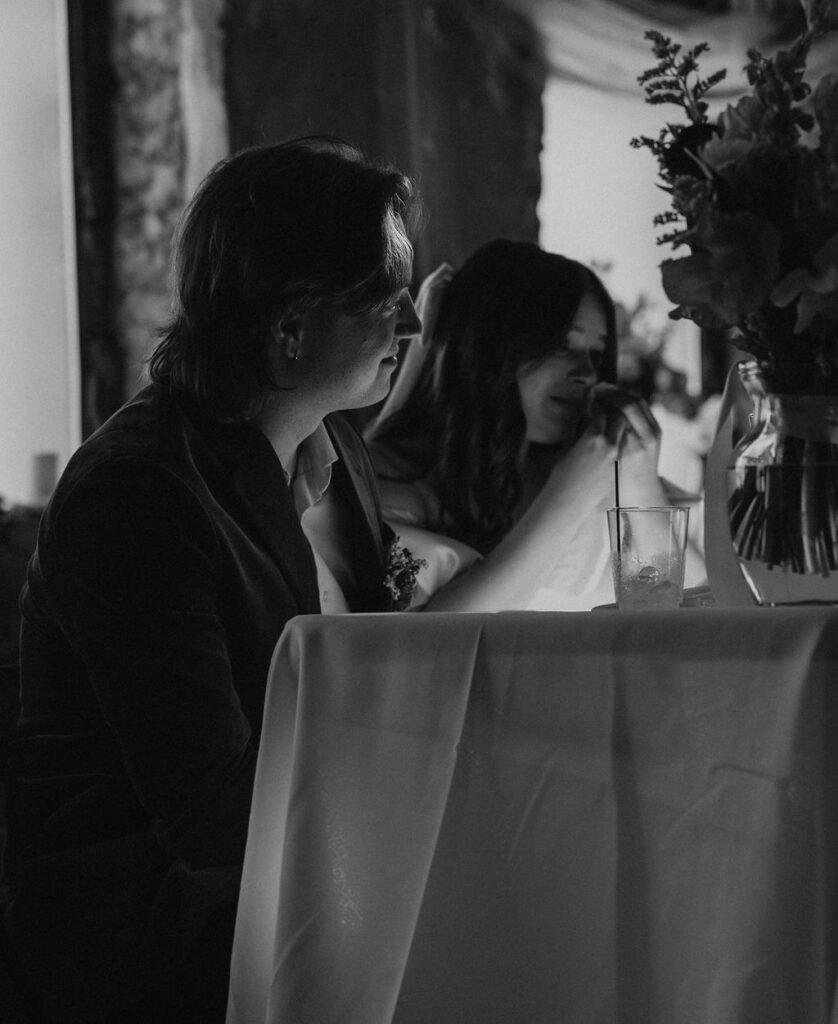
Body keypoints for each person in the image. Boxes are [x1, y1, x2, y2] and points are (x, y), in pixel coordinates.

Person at [1, 137, 421, 1023]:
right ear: (290, 330)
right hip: (158, 930)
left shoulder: (331, 439)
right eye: (387, 302)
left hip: (295, 874)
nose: (411, 328)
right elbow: (209, 812)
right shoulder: (138, 495)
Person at [366, 239, 706, 611]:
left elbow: (688, 607)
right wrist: (571, 493)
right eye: (562, 346)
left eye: (595, 353)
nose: (587, 373)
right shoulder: (387, 486)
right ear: (490, 347)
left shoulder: (604, 480)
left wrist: (641, 484)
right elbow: (434, 647)